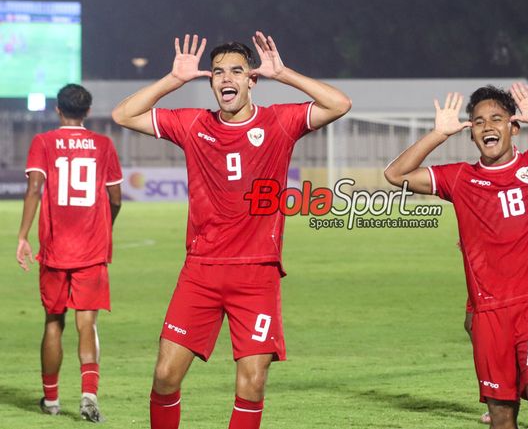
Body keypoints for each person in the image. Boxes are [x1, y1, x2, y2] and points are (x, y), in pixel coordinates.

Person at [111, 32, 351, 429]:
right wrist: (173, 80)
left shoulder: (281, 121)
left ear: (251, 81)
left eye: (237, 71)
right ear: (211, 83)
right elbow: (122, 115)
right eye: (218, 72)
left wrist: (285, 73)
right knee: (166, 376)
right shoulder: (193, 124)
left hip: (257, 273)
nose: (227, 78)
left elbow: (339, 103)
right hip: (201, 270)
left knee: (252, 383)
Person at [384, 84, 528, 429]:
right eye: (478, 122)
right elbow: (395, 175)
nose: (488, 127)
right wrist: (437, 134)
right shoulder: (459, 178)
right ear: (470, 133)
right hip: (488, 313)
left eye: (496, 119)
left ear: (513, 127)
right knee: (502, 415)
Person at [16, 83, 123, 422]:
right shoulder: (103, 144)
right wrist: (106, 226)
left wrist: (22, 236)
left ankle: (51, 401)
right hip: (91, 248)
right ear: (87, 112)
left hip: (54, 248)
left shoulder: (43, 142)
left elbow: (34, 188)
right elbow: (116, 198)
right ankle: (89, 396)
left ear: (58, 110)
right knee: (87, 323)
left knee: (53, 323)